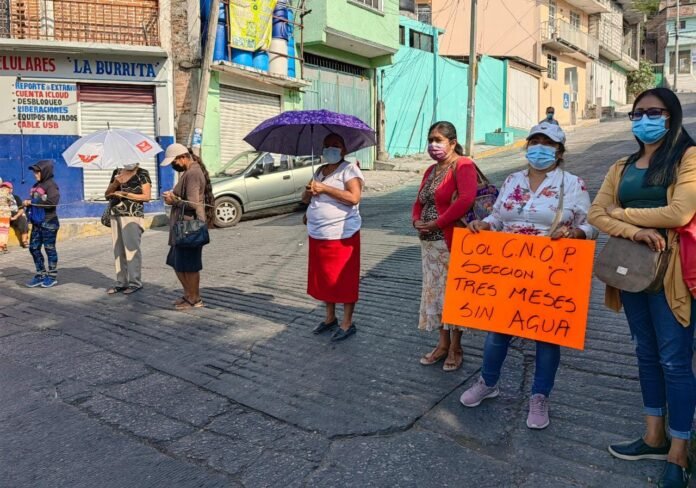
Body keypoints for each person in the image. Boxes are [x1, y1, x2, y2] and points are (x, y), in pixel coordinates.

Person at [587, 88, 696, 488]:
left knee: (675, 361)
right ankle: (653, 436)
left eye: (654, 112)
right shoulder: (622, 165)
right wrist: (635, 229)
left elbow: (680, 211)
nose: (644, 119)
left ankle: (679, 452)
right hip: (631, 273)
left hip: (673, 275)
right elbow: (596, 213)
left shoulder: (688, 158)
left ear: (672, 116)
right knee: (645, 354)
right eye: (637, 113)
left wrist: (623, 213)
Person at [459, 122, 597, 429]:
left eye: (546, 143)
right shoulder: (512, 179)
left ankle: (539, 395)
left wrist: (575, 232)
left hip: (551, 272)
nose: (538, 148)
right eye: (534, 142)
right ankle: (488, 382)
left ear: (559, 151)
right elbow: (497, 216)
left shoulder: (572, 183)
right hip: (508, 269)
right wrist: (485, 225)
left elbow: (592, 226)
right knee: (498, 331)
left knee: (546, 336)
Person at [412, 121, 477, 371]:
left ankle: (455, 347)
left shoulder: (463, 165)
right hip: (429, 244)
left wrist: (437, 222)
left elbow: (466, 199)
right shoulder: (431, 170)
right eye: (430, 140)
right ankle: (441, 344)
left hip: (451, 241)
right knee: (435, 293)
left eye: (438, 140)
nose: (433, 145)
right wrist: (416, 220)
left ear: (452, 142)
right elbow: (420, 200)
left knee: (454, 294)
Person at [302, 134, 364, 342]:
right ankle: (330, 317)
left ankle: (347, 322)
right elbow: (305, 198)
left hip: (342, 234)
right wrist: (310, 193)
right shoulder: (319, 171)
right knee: (325, 278)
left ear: (344, 149)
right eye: (327, 145)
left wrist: (326, 188)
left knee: (343, 279)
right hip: (318, 233)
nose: (331, 149)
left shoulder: (349, 170)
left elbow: (353, 197)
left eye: (336, 145)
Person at [162, 144, 215, 310]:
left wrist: (173, 200)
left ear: (182, 158)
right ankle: (188, 294)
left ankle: (194, 298)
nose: (173, 165)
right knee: (177, 263)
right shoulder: (190, 172)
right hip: (181, 227)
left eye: (174, 161)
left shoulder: (193, 173)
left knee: (189, 265)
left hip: (189, 227)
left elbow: (192, 203)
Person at [104, 162, 152, 295]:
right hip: (115, 214)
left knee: (132, 249)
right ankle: (121, 282)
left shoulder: (142, 173)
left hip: (132, 216)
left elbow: (146, 197)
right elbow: (107, 194)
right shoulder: (117, 172)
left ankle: (135, 282)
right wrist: (115, 183)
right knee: (118, 249)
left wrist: (124, 194)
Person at [24, 160, 61, 288]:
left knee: (49, 249)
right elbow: (35, 199)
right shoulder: (36, 185)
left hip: (49, 222)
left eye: (37, 171)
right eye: (34, 171)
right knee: (33, 248)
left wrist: (32, 202)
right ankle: (40, 274)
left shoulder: (51, 185)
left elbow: (52, 202)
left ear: (45, 171)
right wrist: (29, 201)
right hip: (37, 223)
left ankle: (51, 276)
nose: (35, 174)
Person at [10, 184, 29, 248]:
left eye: (10, 188)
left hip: (15, 215)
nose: (8, 190)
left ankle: (24, 241)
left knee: (22, 219)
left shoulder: (16, 197)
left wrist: (16, 216)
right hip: (3, 215)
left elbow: (21, 209)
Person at [0, 181, 15, 253]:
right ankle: (2, 246)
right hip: (5, 215)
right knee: (4, 231)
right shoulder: (8, 193)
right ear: (8, 188)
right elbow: (11, 202)